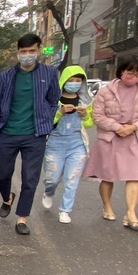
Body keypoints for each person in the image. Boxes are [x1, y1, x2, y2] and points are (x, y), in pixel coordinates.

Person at [0, 32, 61, 235]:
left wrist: (46, 120)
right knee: (3, 175)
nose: (27, 55)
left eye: (31, 51)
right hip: (7, 134)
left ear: (38, 50)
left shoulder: (48, 74)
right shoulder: (6, 76)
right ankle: (7, 197)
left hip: (35, 135)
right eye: (23, 51)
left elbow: (53, 100)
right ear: (17, 53)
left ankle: (22, 218)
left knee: (30, 179)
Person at [82, 54, 138, 230]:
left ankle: (131, 214)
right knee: (108, 176)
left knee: (134, 176)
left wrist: (134, 126)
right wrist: (117, 127)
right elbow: (97, 116)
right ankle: (107, 206)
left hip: (134, 136)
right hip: (111, 137)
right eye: (130, 73)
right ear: (121, 71)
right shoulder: (106, 91)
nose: (134, 78)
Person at [40, 65, 95, 223]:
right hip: (55, 143)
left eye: (78, 80)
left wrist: (85, 116)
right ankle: (48, 192)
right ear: (64, 81)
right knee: (53, 178)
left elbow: (90, 124)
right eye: (71, 80)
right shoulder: (51, 99)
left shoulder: (86, 100)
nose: (75, 83)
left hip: (76, 144)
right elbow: (46, 123)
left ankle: (65, 210)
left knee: (72, 179)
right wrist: (60, 112)